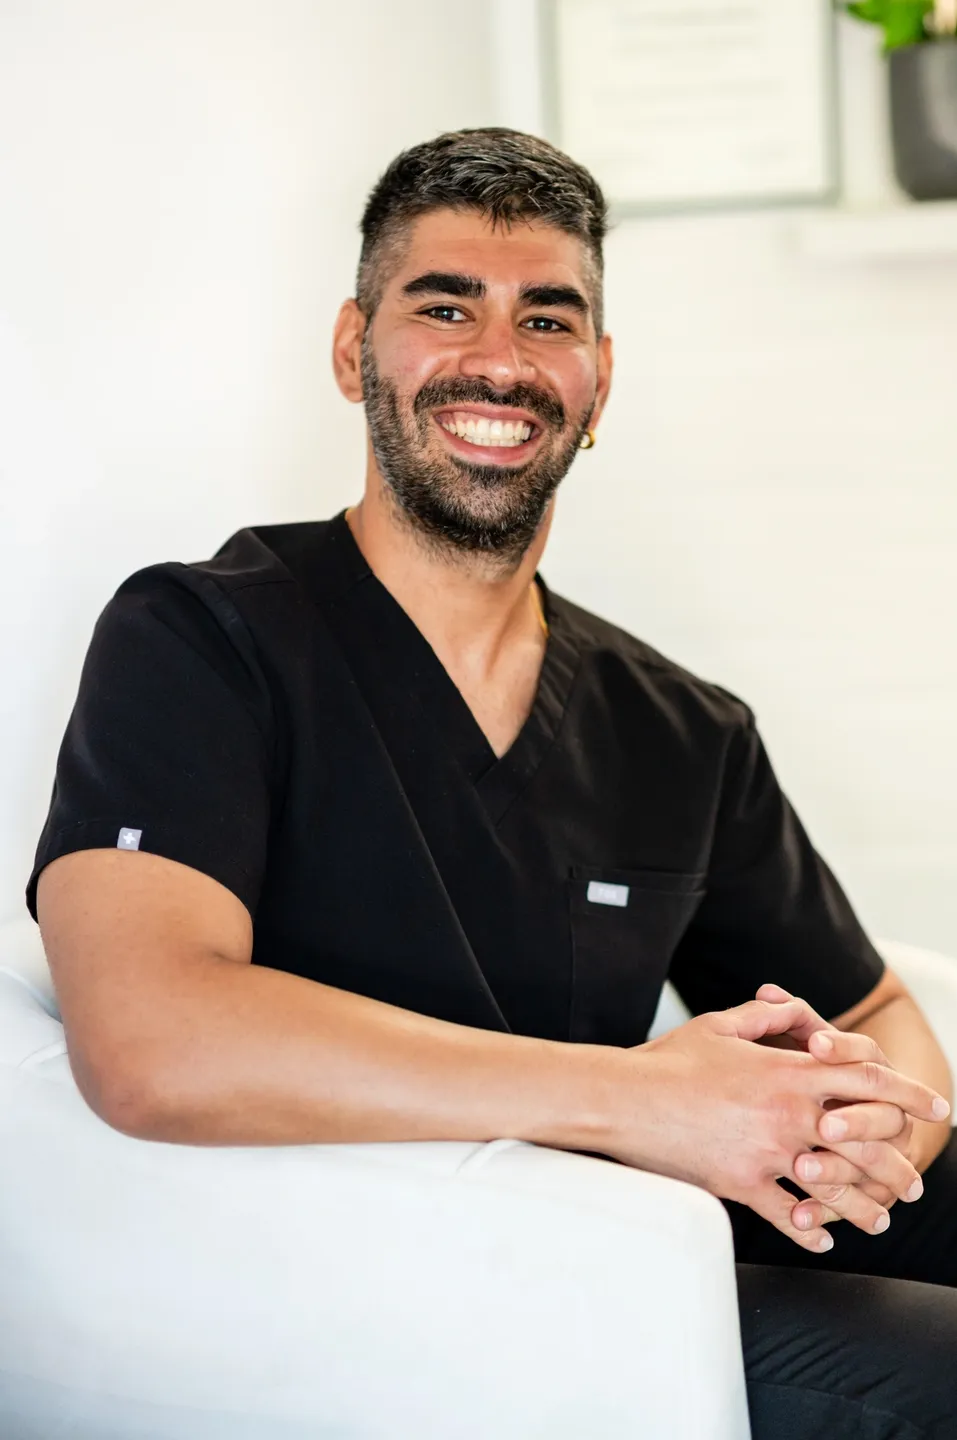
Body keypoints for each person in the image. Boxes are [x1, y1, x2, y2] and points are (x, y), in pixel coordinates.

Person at [27, 127, 957, 1437]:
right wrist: (642, 1101)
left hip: (640, 1238)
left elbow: (879, 1009)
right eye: (444, 305)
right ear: (355, 348)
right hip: (398, 1295)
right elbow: (151, 1043)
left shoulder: (680, 727)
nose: (499, 359)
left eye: (549, 318)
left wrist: (858, 1143)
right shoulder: (203, 639)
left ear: (601, 377)